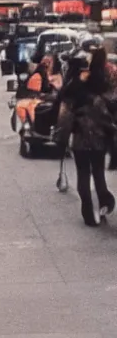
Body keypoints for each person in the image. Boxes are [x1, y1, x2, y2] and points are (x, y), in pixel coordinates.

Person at [55, 48, 117, 226]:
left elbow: (65, 117)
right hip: (98, 138)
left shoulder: (73, 90)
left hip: (80, 139)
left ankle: (88, 212)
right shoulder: (103, 88)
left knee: (83, 174)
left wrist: (62, 138)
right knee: (98, 173)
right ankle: (104, 202)